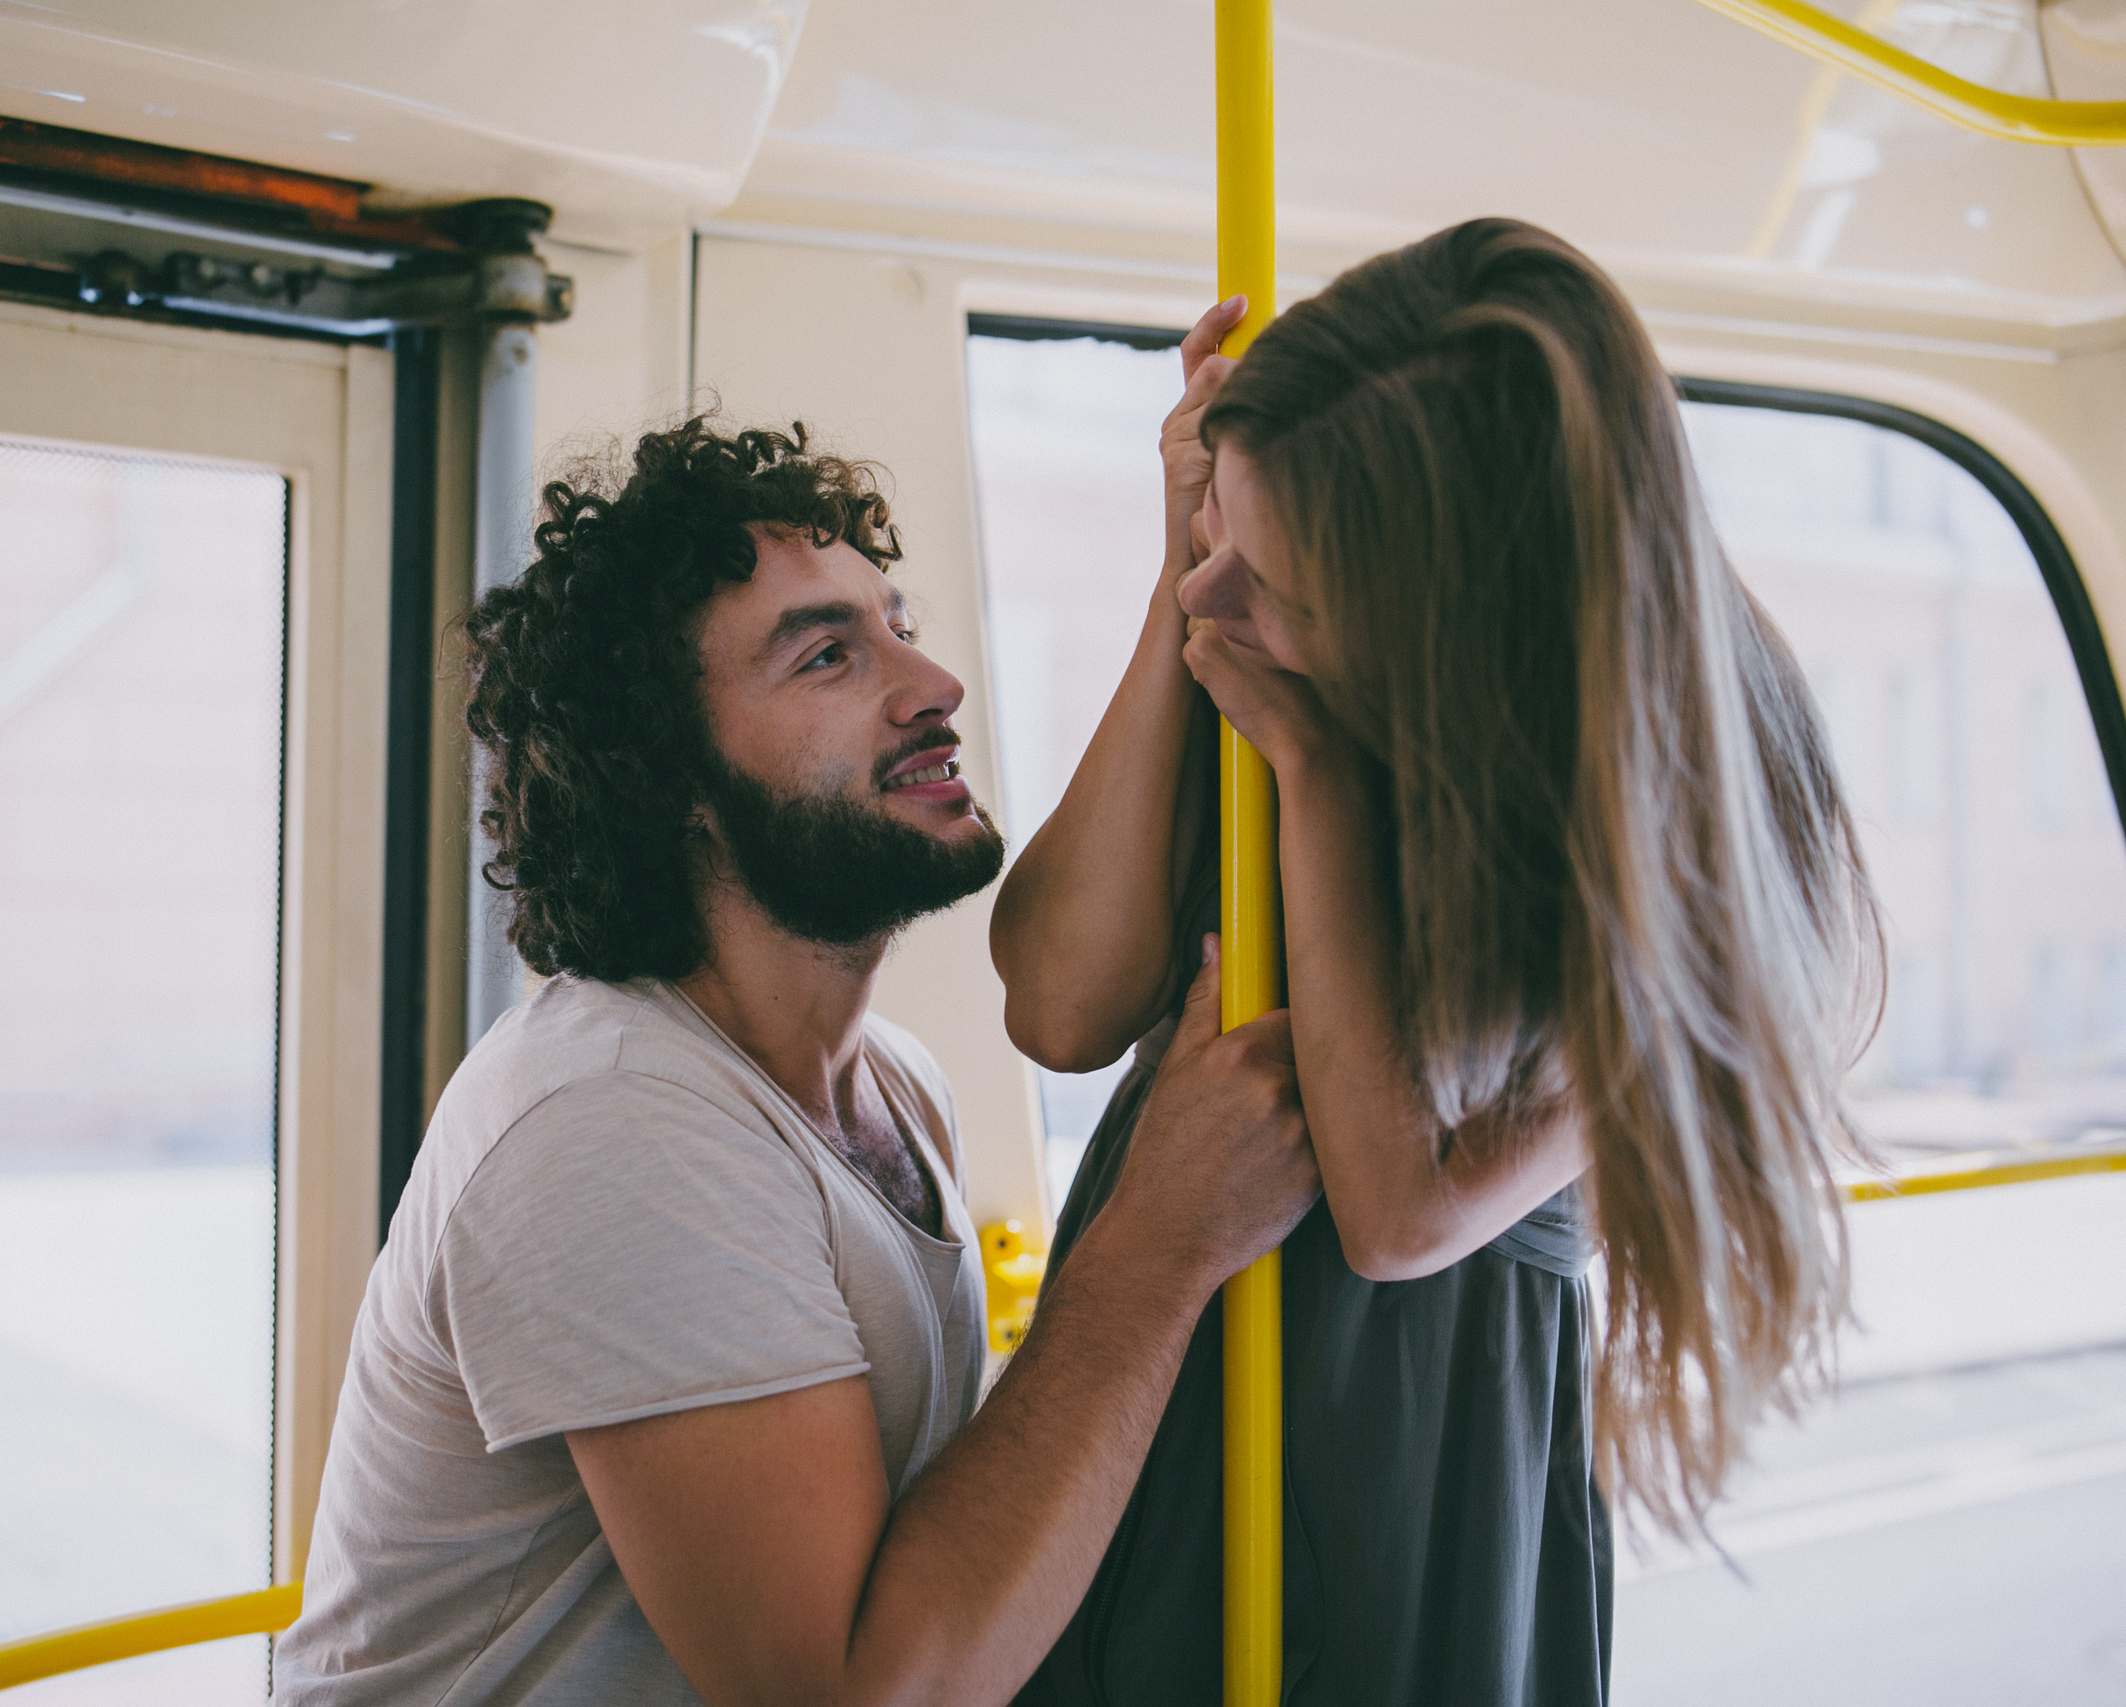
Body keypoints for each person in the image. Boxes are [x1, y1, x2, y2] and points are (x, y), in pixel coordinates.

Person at [274, 419, 1323, 1707]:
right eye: (829, 655)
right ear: (673, 787)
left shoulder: (894, 1084)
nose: (930, 677)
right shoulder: (612, 1124)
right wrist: (1163, 1238)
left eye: (896, 622)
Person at [995, 219, 1879, 1706]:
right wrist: (1187, 562)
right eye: (1232, 548)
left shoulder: (1692, 824)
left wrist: (1319, 780)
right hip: (1171, 1356)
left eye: (1271, 588)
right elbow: (1061, 1005)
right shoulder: (1273, 628)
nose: (1226, 612)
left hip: (1419, 1420)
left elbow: (1399, 1212)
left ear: (1453, 639)